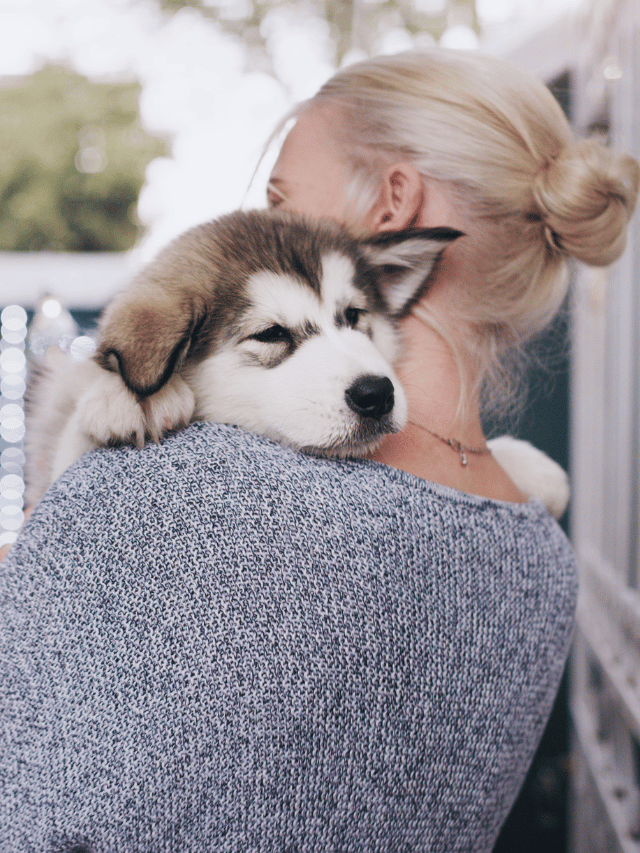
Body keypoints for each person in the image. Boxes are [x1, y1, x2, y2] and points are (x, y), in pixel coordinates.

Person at [0, 49, 636, 853]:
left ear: (393, 202)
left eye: (281, 198)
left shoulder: (179, 494)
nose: (260, 224)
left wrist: (65, 528)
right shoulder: (540, 554)